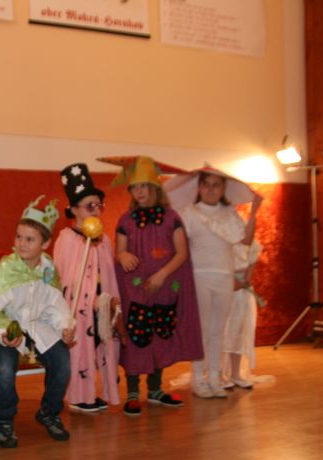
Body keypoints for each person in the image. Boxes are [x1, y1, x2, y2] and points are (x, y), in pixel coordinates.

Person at [0, 196, 75, 448]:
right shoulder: (6, 269)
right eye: (19, 237)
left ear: (45, 244)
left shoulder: (48, 270)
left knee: (63, 362)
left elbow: (54, 306)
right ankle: (4, 418)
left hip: (38, 329)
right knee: (3, 368)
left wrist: (65, 326)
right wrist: (3, 333)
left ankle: (49, 411)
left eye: (29, 239)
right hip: (6, 330)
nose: (21, 243)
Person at [113, 157, 203, 416]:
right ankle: (132, 392)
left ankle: (155, 390)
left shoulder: (172, 218)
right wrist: (123, 255)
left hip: (164, 289)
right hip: (136, 291)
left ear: (155, 187)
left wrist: (162, 275)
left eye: (143, 186)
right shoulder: (126, 220)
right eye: (134, 187)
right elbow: (119, 251)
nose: (139, 191)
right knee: (136, 337)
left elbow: (181, 252)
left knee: (160, 336)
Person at [175, 168, 262, 399]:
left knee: (218, 331)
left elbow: (246, 240)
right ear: (199, 187)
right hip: (199, 277)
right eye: (207, 184)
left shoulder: (229, 213)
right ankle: (199, 379)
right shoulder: (189, 213)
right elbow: (179, 246)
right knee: (202, 330)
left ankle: (215, 377)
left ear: (223, 189)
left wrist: (254, 210)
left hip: (224, 277)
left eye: (216, 185)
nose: (211, 189)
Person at [53, 162, 122, 413]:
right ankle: (78, 396)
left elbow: (107, 274)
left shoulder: (103, 240)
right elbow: (65, 278)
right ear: (73, 210)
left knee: (99, 347)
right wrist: (84, 300)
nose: (96, 211)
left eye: (98, 206)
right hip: (78, 309)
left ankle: (93, 392)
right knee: (80, 348)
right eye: (89, 206)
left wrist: (107, 301)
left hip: (100, 305)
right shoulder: (67, 239)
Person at [222, 239, 264, 389]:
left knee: (238, 334)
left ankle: (236, 373)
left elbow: (248, 274)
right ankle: (218, 374)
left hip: (241, 294)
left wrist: (243, 282)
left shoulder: (251, 245)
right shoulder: (222, 241)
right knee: (222, 334)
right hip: (223, 292)